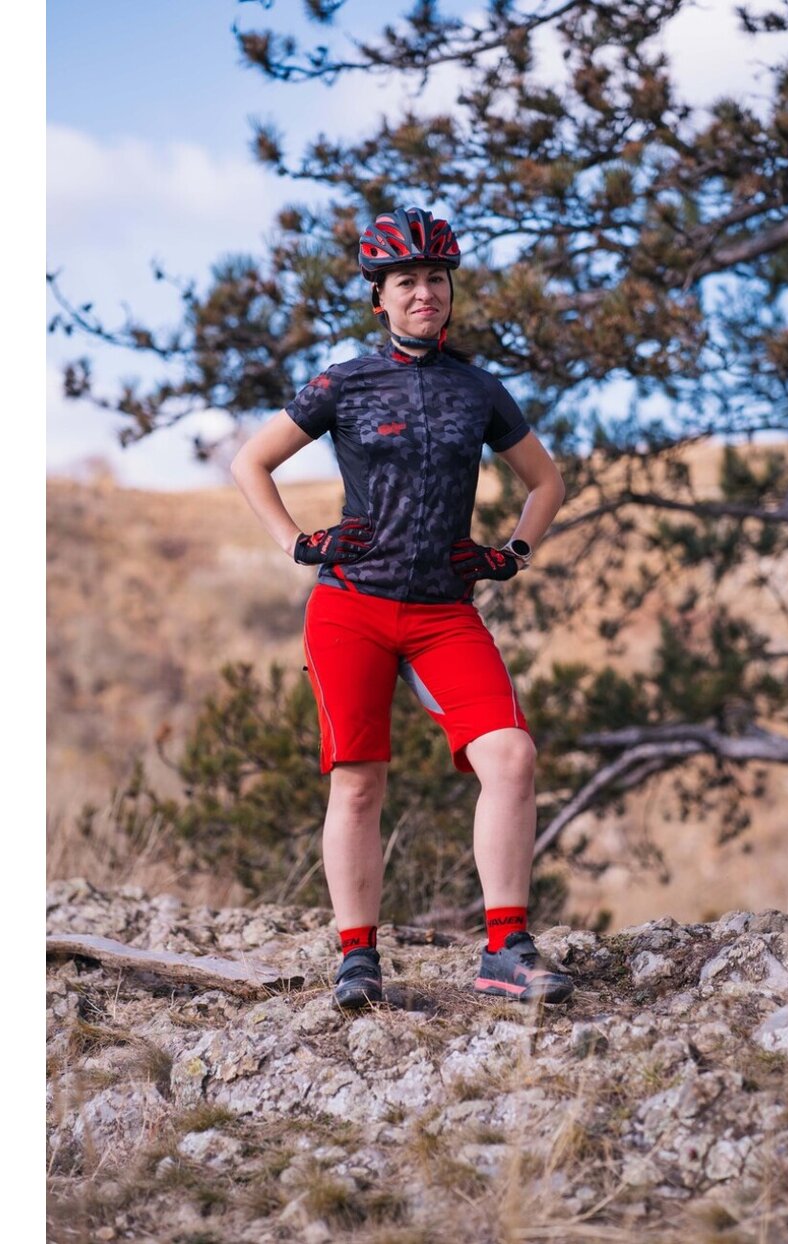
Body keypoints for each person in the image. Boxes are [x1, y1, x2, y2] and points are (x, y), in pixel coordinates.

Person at [231, 206, 573, 1009]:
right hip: (351, 607)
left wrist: (513, 551)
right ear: (379, 297)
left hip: (444, 615)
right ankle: (358, 959)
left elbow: (546, 482)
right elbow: (251, 462)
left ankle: (506, 952)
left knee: (512, 758)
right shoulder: (345, 381)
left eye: (435, 278)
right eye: (407, 281)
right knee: (358, 782)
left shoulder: (478, 389)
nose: (425, 292)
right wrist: (295, 542)